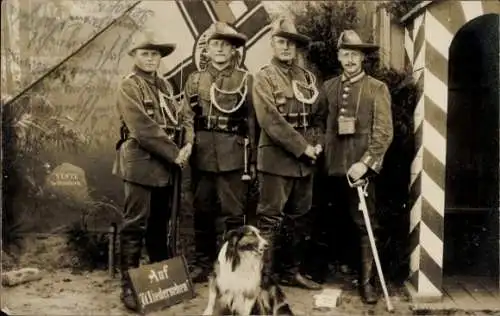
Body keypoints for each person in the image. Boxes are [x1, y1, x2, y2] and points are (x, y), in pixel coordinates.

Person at [112, 31, 194, 311]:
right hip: (141, 162)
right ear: (134, 56)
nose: (151, 58)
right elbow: (142, 129)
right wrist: (175, 153)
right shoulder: (129, 86)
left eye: (155, 54)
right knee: (135, 224)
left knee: (160, 225)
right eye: (145, 53)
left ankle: (161, 283)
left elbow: (183, 118)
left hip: (165, 165)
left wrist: (188, 144)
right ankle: (129, 288)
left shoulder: (165, 86)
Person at [252, 17, 328, 290]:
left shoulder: (307, 78)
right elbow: (270, 121)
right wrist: (303, 146)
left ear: (296, 48)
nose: (286, 47)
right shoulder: (263, 77)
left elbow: (318, 117)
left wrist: (317, 143)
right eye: (281, 41)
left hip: (305, 163)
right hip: (276, 160)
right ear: (272, 44)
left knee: (299, 219)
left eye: (291, 43)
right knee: (270, 219)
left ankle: (290, 272)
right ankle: (263, 278)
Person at [319, 29, 394, 304]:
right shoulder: (328, 88)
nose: (350, 59)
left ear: (363, 57)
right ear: (338, 56)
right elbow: (318, 123)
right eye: (345, 54)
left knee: (364, 224)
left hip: (358, 171)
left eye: (355, 54)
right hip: (329, 167)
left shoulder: (377, 88)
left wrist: (365, 164)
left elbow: (384, 133)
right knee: (324, 221)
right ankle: (318, 274)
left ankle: (367, 284)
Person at [184, 22, 257, 283]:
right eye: (215, 44)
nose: (220, 50)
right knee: (202, 210)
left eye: (225, 45)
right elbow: (187, 118)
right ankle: (203, 264)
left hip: (233, 156)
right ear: (207, 49)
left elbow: (252, 121)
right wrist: (189, 145)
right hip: (202, 155)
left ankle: (233, 266)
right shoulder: (194, 79)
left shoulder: (246, 80)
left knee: (233, 214)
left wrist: (254, 161)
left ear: (233, 50)